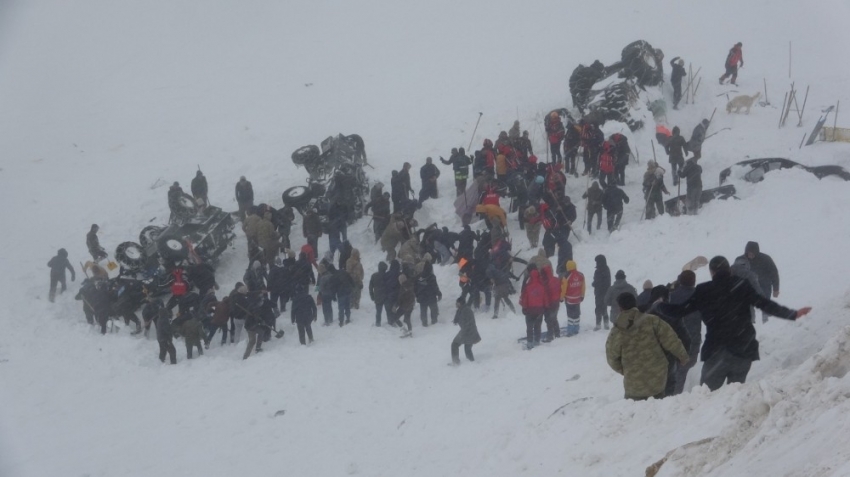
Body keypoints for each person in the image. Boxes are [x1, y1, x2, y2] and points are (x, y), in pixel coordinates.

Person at [658, 256, 811, 392]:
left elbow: (679, 311)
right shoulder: (741, 285)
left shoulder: (704, 290)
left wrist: (659, 304)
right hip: (743, 349)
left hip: (716, 351)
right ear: (729, 270)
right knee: (735, 395)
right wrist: (792, 314)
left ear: (712, 272)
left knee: (705, 398)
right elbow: (764, 304)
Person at [605, 293, 690, 400]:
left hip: (633, 385)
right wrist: (683, 356)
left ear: (620, 308)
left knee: (634, 411)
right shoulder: (652, 321)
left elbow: (611, 358)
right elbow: (670, 339)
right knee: (656, 407)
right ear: (635, 304)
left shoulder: (617, 331)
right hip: (657, 379)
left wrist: (626, 370)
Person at [670, 270, 701, 394]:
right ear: (694, 282)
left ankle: (673, 393)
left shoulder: (671, 296)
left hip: (674, 338)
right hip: (693, 338)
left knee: (674, 367)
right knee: (685, 368)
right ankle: (678, 393)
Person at [737, 242, 781, 323]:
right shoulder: (741, 260)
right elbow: (736, 273)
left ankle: (766, 321)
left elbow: (774, 273)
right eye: (748, 253)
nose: (750, 255)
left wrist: (776, 289)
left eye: (752, 253)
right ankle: (750, 321)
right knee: (747, 305)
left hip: (764, 285)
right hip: (749, 286)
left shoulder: (765, 259)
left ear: (756, 252)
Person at [519, 267, 549, 349]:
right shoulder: (542, 286)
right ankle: (537, 341)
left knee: (529, 327)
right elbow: (545, 298)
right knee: (537, 326)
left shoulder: (528, 287)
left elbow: (524, 298)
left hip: (530, 310)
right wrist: (546, 307)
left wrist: (524, 307)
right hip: (539, 310)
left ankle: (529, 342)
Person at [451, 297, 481, 365]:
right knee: (466, 349)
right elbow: (457, 319)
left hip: (469, 332)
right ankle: (470, 363)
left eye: (457, 303)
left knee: (457, 345)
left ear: (461, 303)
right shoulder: (460, 309)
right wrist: (455, 321)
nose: (456, 304)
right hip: (467, 332)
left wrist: (463, 334)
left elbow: (468, 323)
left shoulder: (466, 310)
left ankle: (458, 362)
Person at [560, 260, 585, 336]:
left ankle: (570, 330)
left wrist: (561, 297)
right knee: (577, 314)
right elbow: (583, 286)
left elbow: (563, 288)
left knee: (570, 315)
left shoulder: (566, 276)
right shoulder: (581, 275)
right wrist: (582, 295)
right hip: (577, 299)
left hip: (569, 299)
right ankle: (576, 328)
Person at [415, 261, 442, 326]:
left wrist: (417, 295)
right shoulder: (432, 276)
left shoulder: (419, 276)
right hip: (431, 296)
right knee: (433, 310)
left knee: (423, 311)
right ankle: (434, 322)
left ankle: (424, 323)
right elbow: (435, 286)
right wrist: (439, 294)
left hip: (422, 297)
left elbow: (415, 287)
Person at [153, 298, 177, 364]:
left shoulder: (159, 319)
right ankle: (173, 364)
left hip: (160, 338)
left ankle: (160, 362)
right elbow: (167, 330)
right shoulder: (164, 320)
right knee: (172, 351)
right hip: (165, 339)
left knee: (163, 351)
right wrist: (172, 334)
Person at [541, 265, 561, 341]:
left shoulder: (545, 282)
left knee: (548, 320)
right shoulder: (556, 279)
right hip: (556, 302)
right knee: (554, 318)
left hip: (549, 304)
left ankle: (550, 336)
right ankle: (557, 333)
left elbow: (545, 295)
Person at [592, 255, 611, 330]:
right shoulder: (606, 269)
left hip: (599, 292)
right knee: (604, 308)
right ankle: (606, 324)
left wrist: (594, 284)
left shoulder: (598, 271)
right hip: (605, 292)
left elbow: (598, 282)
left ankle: (598, 324)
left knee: (598, 308)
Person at [369, 262, 388, 326]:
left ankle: (378, 322)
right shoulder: (387, 275)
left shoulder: (374, 275)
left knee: (378, 311)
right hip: (386, 296)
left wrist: (372, 295)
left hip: (377, 296)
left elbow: (370, 286)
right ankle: (390, 321)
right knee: (388, 310)